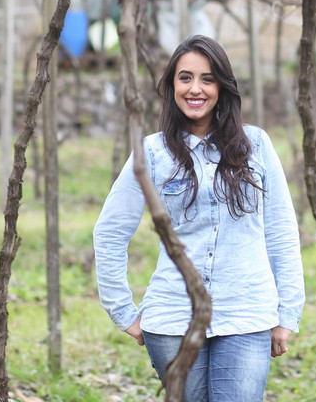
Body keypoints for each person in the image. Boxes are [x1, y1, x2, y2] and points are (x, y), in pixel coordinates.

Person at [93, 34, 304, 402]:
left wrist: (287, 312)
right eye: (185, 77)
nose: (196, 89)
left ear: (222, 87)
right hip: (174, 316)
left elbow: (281, 231)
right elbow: (110, 231)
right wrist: (122, 311)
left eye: (207, 79)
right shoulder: (153, 152)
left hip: (246, 314)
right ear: (172, 85)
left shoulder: (256, 146)